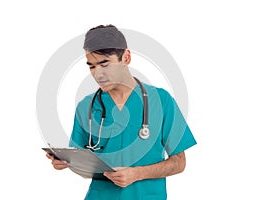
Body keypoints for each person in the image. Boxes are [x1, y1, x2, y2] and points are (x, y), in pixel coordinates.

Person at [46, 24, 197, 200]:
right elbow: (82, 164)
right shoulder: (86, 107)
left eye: (104, 64)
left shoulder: (161, 101)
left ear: (126, 57)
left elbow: (179, 162)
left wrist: (138, 174)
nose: (98, 74)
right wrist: (66, 163)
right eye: (92, 66)